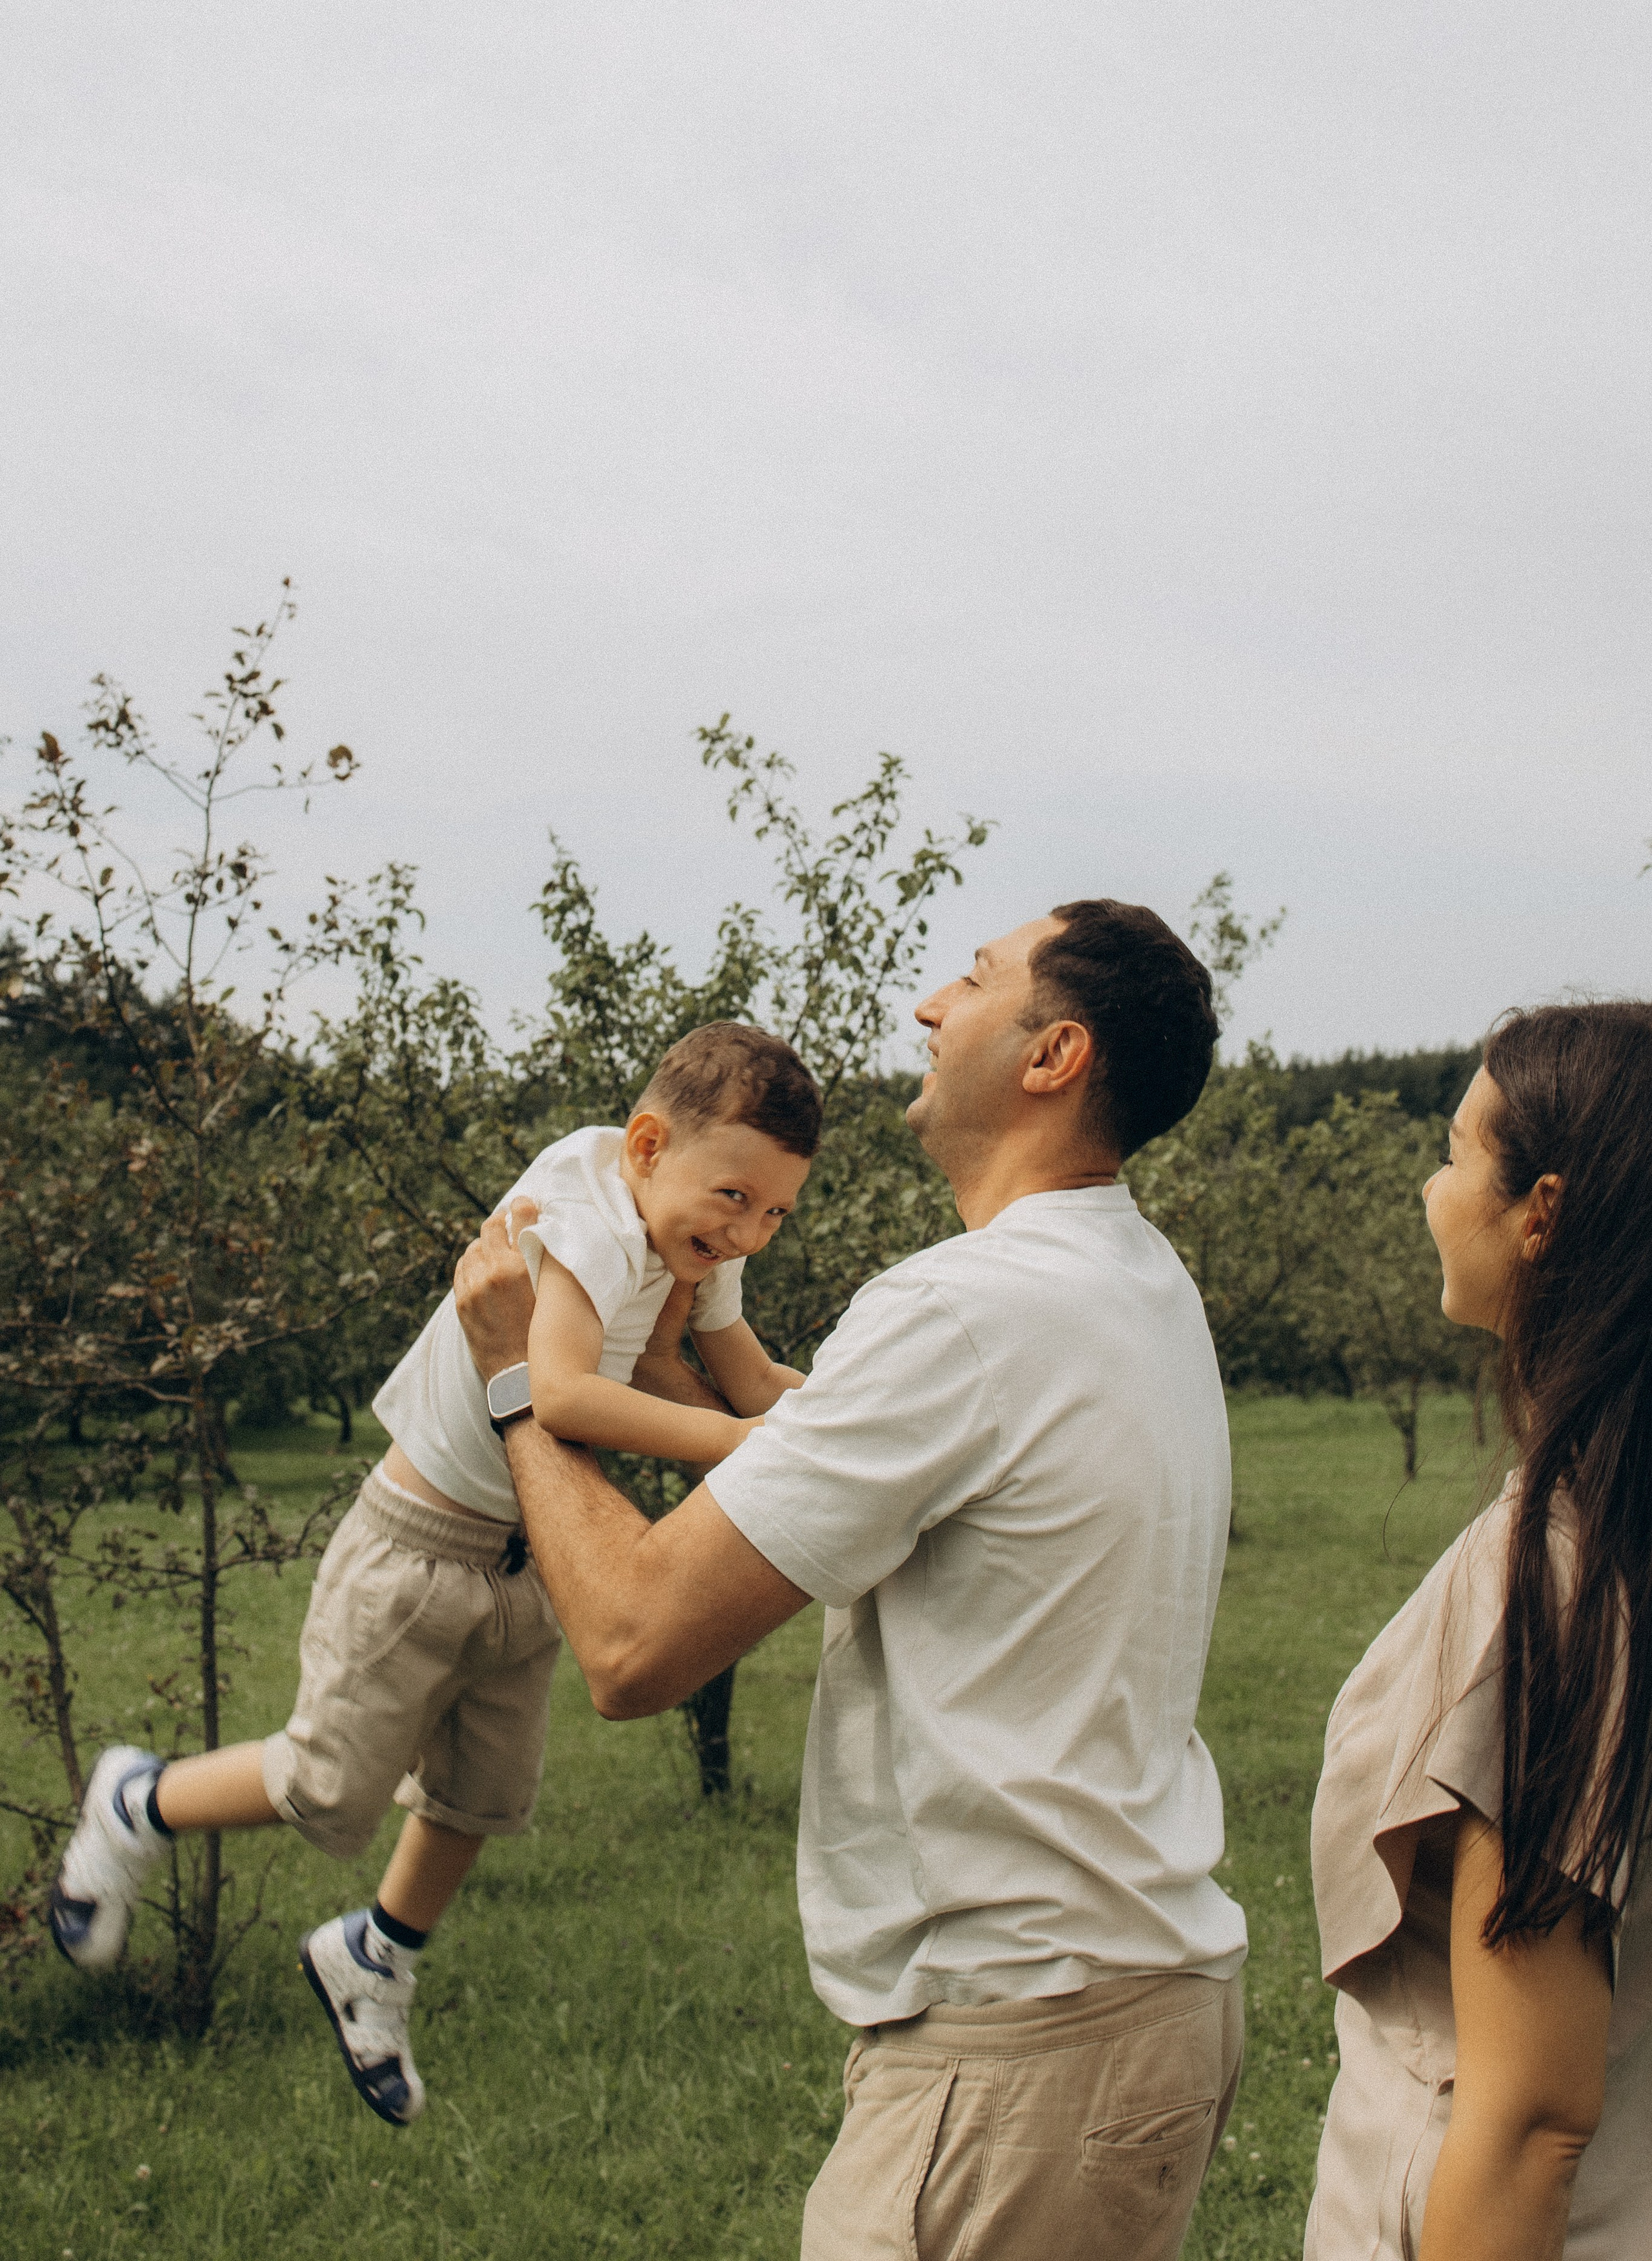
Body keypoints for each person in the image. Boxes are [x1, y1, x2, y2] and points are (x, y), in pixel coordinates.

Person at [457, 902, 1249, 2260]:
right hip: (1124, 2007)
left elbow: (634, 1642)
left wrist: (517, 1385)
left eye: (976, 978)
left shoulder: (963, 1308)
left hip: (1017, 2049)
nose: (929, 1005)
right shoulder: (1135, 1280)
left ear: (1052, 1054)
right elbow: (842, 1442)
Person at [48, 1021, 818, 2127]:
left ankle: (375, 1952)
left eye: (777, 1212)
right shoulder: (587, 1218)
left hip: (532, 1558)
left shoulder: (696, 1232)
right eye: (737, 1198)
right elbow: (559, 1395)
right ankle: (139, 1798)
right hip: (422, 1544)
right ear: (649, 1145)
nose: (751, 1230)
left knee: (481, 1795)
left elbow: (734, 1372)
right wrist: (757, 1450)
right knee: (328, 1780)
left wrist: (841, 1424)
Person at [1307, 1002, 1652, 2260]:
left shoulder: (1558, 1579)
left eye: (1455, 1152)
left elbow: (1526, 2123)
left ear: (1539, 1212)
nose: (1428, 1187)